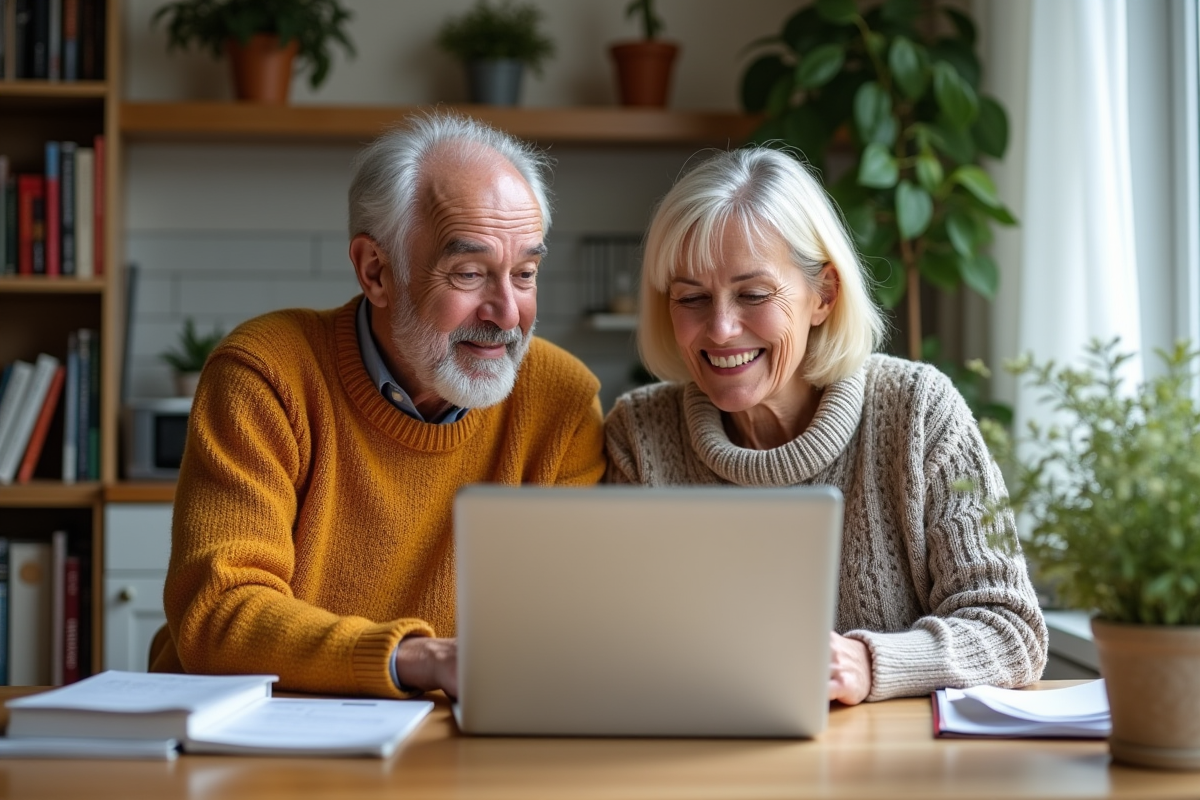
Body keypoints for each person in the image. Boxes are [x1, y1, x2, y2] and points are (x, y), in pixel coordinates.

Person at [150, 112, 607, 699]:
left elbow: (569, 628)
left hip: (448, 750)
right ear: (376, 271)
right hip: (246, 738)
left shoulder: (561, 400)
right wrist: (418, 658)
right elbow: (220, 613)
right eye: (470, 273)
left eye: (524, 273)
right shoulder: (265, 373)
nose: (508, 313)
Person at [604, 147, 1047, 705]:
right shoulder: (638, 434)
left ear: (824, 295)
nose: (719, 329)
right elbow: (608, 640)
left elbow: (1012, 631)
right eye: (691, 298)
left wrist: (870, 662)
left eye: (754, 294)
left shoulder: (917, 411)